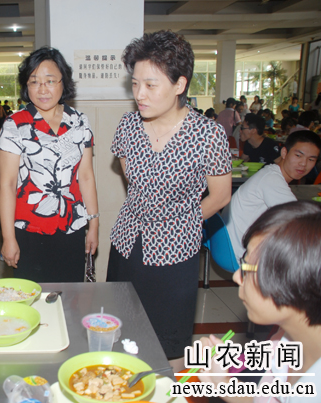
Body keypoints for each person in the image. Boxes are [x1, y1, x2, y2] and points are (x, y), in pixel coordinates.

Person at [106, 30, 232, 365]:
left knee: (169, 343)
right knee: (119, 331)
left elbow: (220, 196)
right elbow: (132, 179)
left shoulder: (208, 134)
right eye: (135, 84)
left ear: (179, 85)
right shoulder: (128, 126)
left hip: (176, 250)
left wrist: (181, 222)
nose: (139, 94)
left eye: (150, 85)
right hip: (128, 241)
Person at [200, 201, 321, 403]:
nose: (237, 277)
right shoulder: (282, 342)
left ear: (297, 280)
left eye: (248, 268)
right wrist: (223, 383)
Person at [0, 46, 99, 282]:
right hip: (29, 229)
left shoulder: (79, 121)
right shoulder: (15, 125)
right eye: (34, 82)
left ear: (63, 82)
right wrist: (8, 237)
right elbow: (8, 184)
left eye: (50, 81)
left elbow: (85, 176)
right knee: (33, 297)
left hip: (72, 226)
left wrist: (93, 224)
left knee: (71, 296)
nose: (42, 89)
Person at [223, 130, 321, 263]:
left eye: (311, 159)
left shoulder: (270, 173)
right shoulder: (272, 180)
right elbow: (299, 224)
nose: (303, 164)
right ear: (284, 153)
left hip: (231, 247)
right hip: (243, 255)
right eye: (298, 155)